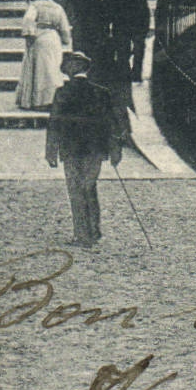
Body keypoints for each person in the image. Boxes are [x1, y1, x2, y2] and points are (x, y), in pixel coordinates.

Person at [45, 52, 128, 247]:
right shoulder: (101, 92)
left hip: (71, 150)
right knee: (89, 186)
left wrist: (51, 151)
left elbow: (54, 124)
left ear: (72, 69)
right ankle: (94, 230)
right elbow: (112, 124)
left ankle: (82, 234)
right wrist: (115, 150)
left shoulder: (62, 93)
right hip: (95, 149)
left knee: (75, 190)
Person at [15, 0, 72, 110]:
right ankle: (51, 99)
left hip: (39, 38)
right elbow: (64, 28)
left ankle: (37, 100)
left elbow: (28, 20)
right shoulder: (58, 7)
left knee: (40, 71)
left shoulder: (35, 6)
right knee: (53, 68)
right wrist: (65, 40)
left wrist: (29, 35)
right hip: (53, 39)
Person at [103, 0, 152, 83]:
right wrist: (145, 27)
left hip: (120, 25)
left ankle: (124, 74)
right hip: (137, 25)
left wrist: (108, 25)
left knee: (122, 49)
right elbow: (145, 10)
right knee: (139, 50)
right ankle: (137, 74)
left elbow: (108, 9)